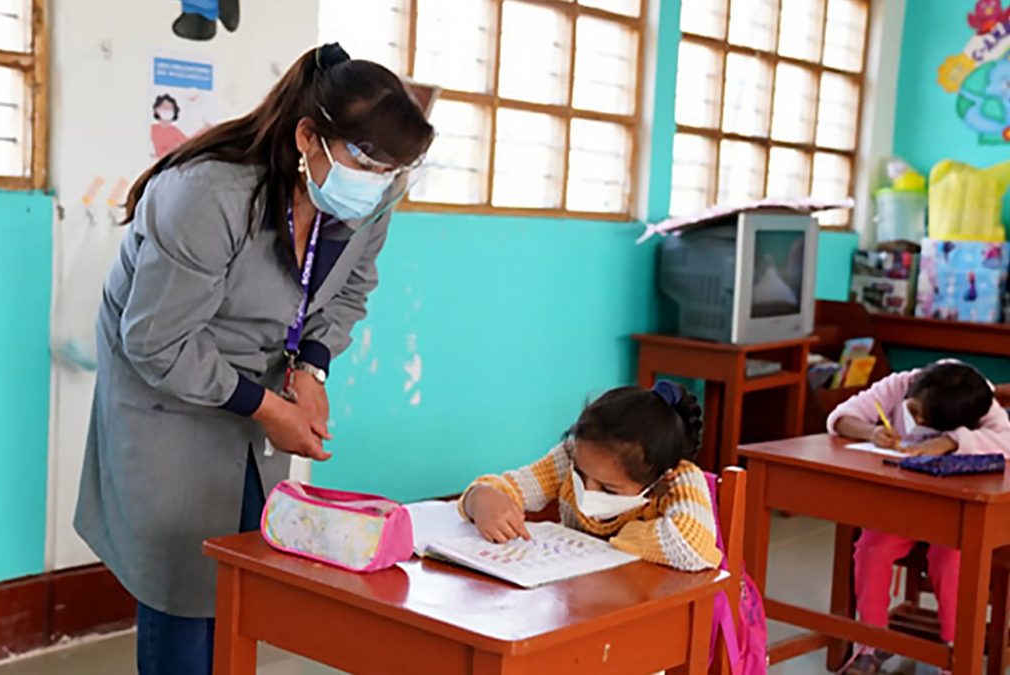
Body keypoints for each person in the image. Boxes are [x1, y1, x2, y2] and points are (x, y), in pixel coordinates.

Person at [74, 43, 433, 675]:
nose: (378, 182)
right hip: (165, 384)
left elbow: (349, 288)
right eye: (366, 160)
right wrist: (268, 407)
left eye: (394, 171)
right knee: (182, 573)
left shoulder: (368, 198)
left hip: (257, 384)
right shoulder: (208, 195)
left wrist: (311, 368)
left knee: (242, 561)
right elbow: (157, 341)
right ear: (309, 137)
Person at [828, 360, 1010, 675]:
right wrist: (871, 431)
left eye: (924, 419)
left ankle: (955, 651)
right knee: (873, 548)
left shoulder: (981, 400)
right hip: (903, 507)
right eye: (913, 411)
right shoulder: (901, 384)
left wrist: (952, 441)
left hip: (959, 513)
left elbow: (1007, 441)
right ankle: (871, 644)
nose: (916, 420)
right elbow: (841, 417)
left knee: (951, 560)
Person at [459, 382, 723, 572]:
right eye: (580, 475)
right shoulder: (571, 457)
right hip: (581, 593)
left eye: (608, 490)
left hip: (644, 604)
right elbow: (508, 486)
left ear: (657, 482)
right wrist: (481, 499)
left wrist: (616, 539)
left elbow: (693, 545)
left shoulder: (677, 479)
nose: (586, 490)